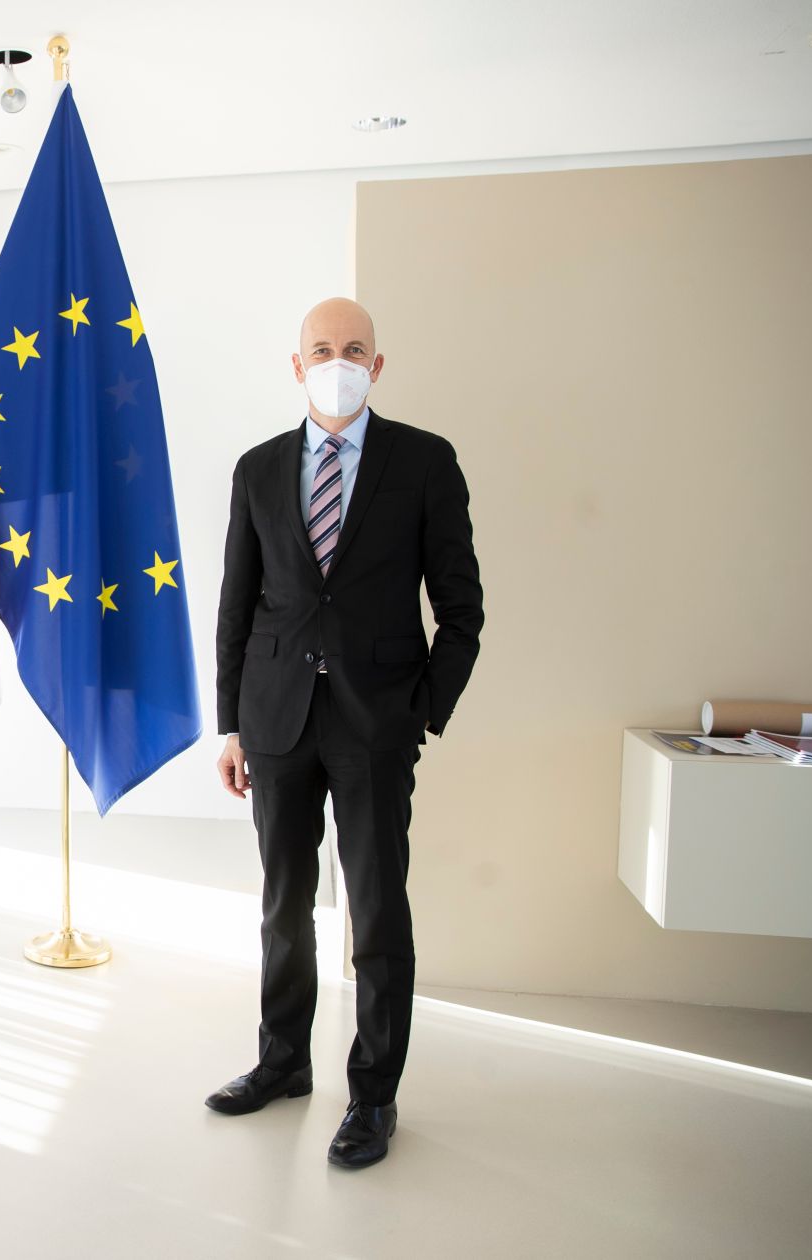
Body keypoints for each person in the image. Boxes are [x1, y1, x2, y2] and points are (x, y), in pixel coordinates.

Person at [208, 297, 482, 1169]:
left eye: (354, 349)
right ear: (297, 366)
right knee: (282, 910)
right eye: (322, 349)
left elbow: (463, 609)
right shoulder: (256, 470)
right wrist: (231, 725)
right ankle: (283, 1063)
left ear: (378, 363)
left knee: (376, 916)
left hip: (376, 727)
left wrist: (422, 711)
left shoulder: (426, 462)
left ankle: (373, 1096)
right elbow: (237, 607)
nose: (338, 360)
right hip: (277, 722)